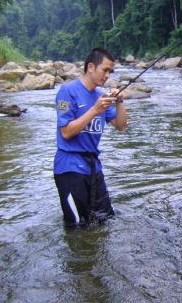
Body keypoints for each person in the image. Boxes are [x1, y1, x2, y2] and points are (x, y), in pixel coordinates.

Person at [54, 48, 127, 226]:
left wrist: (119, 102)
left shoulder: (100, 97)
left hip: (93, 168)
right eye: (105, 70)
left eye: (110, 71)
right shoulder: (67, 91)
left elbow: (121, 126)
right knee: (78, 227)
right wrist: (95, 110)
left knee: (105, 221)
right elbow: (66, 131)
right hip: (70, 167)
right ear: (91, 67)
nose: (107, 75)